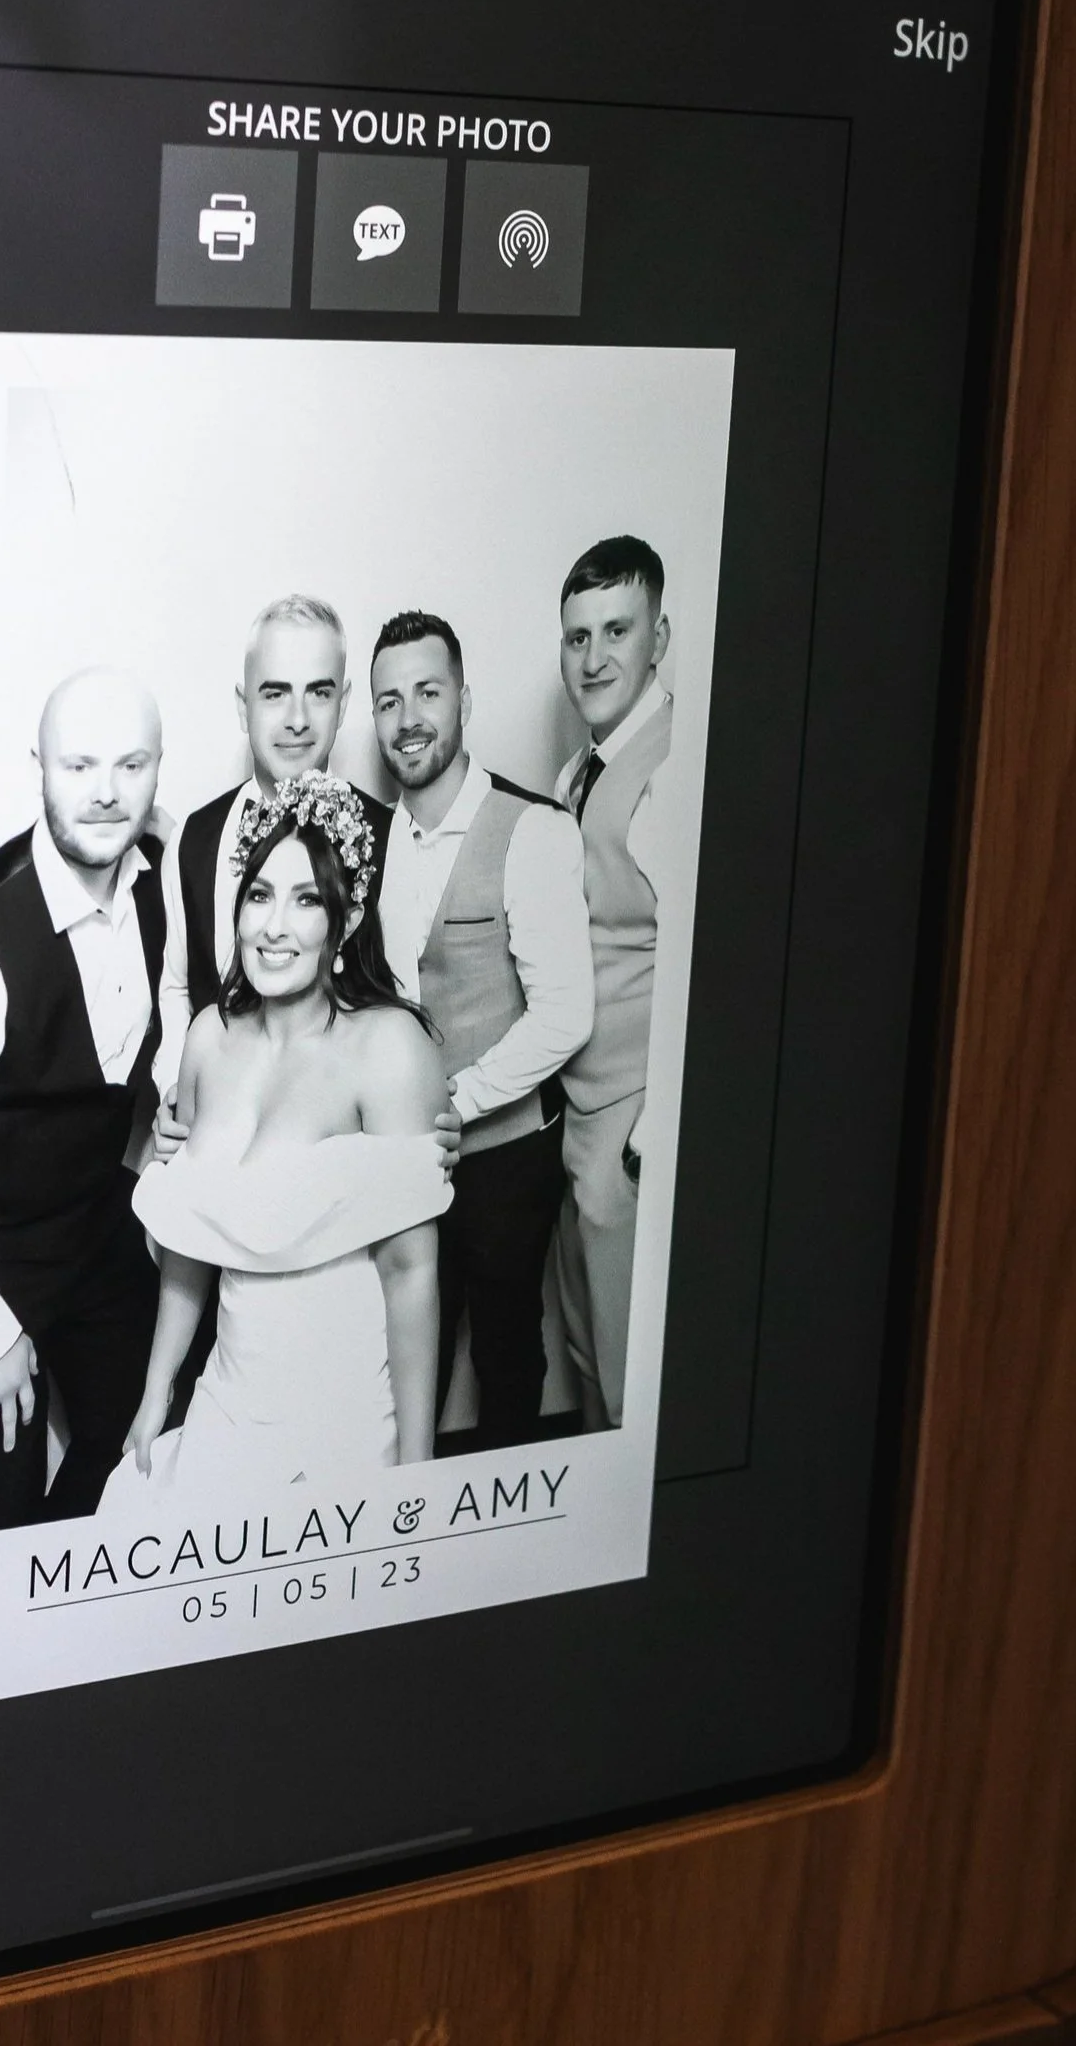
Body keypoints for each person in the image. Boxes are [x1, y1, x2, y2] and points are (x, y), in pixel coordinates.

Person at [113, 774, 449, 1498]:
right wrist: (155, 1394)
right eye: (261, 895)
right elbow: (190, 1248)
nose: (274, 926)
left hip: (347, 1421)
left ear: (347, 920)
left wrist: (418, 1471)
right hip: (227, 1403)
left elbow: (410, 1272)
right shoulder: (208, 1038)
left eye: (306, 901)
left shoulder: (388, 1048)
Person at [369, 611, 592, 1450]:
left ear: (465, 698)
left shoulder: (532, 829)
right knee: (403, 1352)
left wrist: (458, 1100)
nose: (410, 717)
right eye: (389, 701)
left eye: (428, 692)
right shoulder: (373, 838)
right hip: (404, 1160)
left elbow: (566, 1014)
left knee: (505, 1351)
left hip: (505, 1159)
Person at [0, 669, 170, 1530]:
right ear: (38, 766)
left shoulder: (166, 890)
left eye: (132, 766)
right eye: (79, 766)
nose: (106, 794)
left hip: (96, 1230)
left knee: (149, 1445)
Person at [550, 537, 673, 1431]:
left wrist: (653, 1131)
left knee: (633, 1396)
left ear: (658, 637)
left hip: (632, 1125)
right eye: (577, 637)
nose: (593, 659)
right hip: (576, 1120)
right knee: (590, 1367)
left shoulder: (677, 766)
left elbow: (703, 956)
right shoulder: (573, 776)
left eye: (616, 631)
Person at [157, 595, 392, 1050]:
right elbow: (177, 988)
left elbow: (404, 1001)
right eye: (275, 693)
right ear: (244, 707)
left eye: (319, 693)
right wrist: (175, 1093)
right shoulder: (191, 839)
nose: (298, 720)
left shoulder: (390, 836)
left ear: (342, 705)